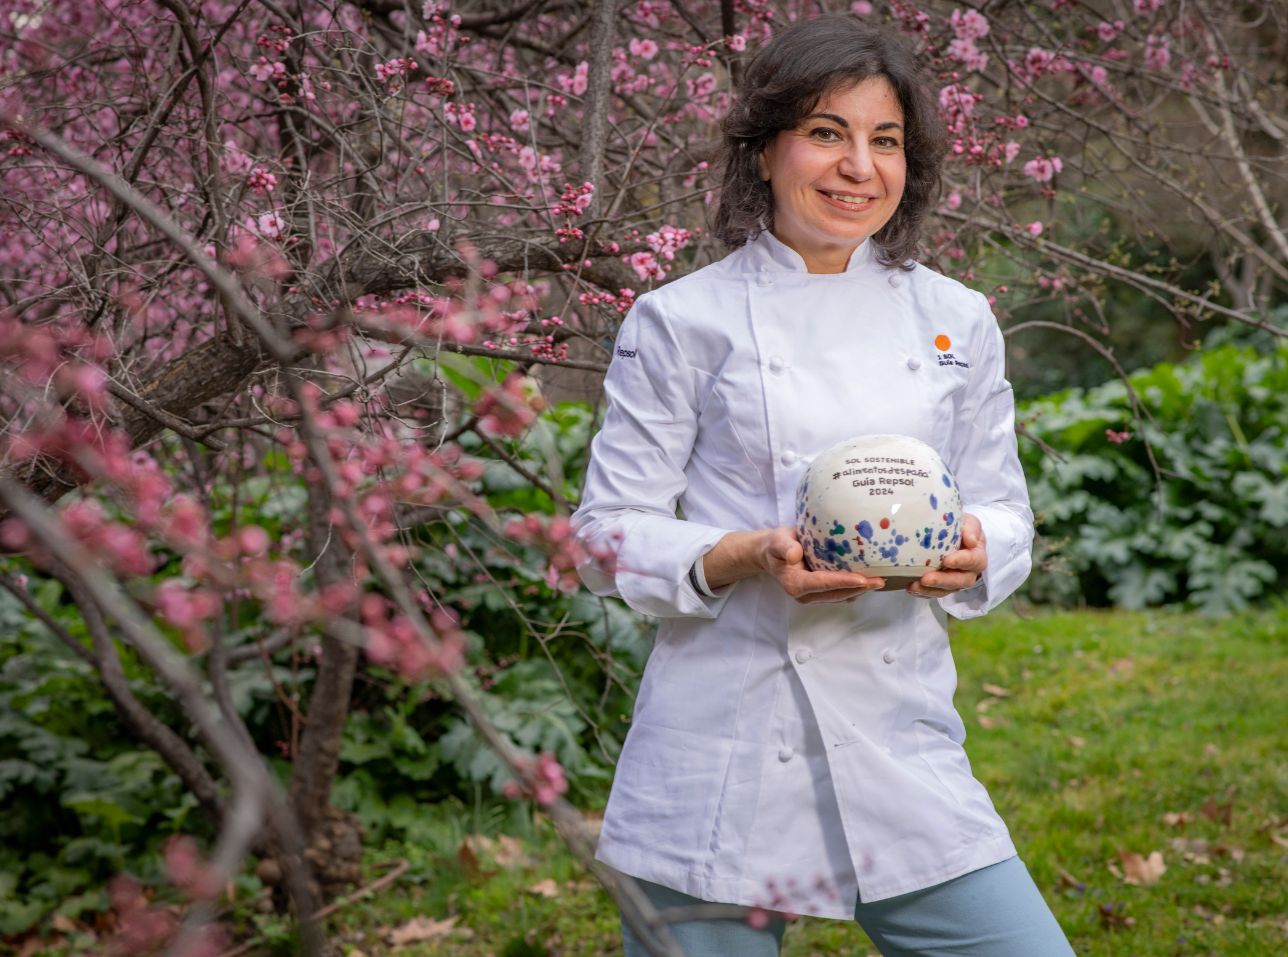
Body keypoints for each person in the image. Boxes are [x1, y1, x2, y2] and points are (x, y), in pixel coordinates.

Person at [570, 15, 1075, 957]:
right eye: (826, 132)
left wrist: (976, 547)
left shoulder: (956, 318)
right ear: (764, 151)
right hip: (722, 747)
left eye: (885, 140)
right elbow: (604, 535)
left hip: (899, 733)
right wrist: (743, 553)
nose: (857, 167)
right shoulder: (680, 320)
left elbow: (1006, 509)